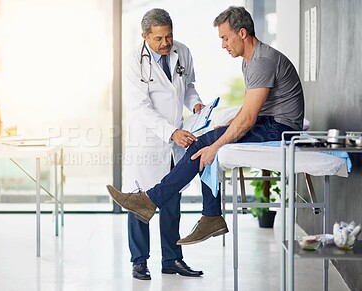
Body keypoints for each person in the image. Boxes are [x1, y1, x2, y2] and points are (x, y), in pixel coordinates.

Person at [109, 6, 304, 246]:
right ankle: (205, 216)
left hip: (280, 128)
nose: (223, 44)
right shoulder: (251, 60)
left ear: (242, 33)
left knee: (205, 146)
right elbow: (251, 110)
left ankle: (162, 205)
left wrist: (216, 140)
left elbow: (249, 117)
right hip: (150, 136)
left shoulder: (260, 61)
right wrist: (223, 128)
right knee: (207, 141)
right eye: (159, 38)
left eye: (225, 37)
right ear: (145, 37)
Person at [121, 8, 204, 280]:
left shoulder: (183, 51)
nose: (166, 43)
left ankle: (172, 259)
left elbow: (188, 86)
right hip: (147, 140)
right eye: (159, 39)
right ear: (145, 36)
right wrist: (170, 132)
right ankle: (139, 261)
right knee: (138, 202)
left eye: (169, 35)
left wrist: (196, 104)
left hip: (175, 141)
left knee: (171, 202)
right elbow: (140, 108)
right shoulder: (135, 61)